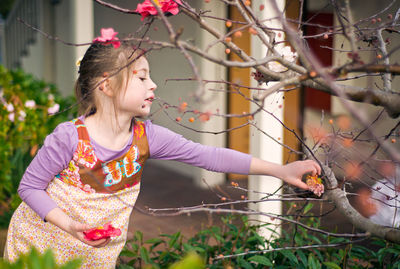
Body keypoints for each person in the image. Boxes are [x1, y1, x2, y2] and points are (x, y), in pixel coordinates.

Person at [4, 39, 321, 268]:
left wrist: (280, 170)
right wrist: (70, 226)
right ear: (106, 85)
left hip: (95, 253)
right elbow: (29, 186)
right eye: (141, 77)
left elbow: (209, 156)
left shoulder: (147, 137)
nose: (153, 84)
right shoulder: (69, 138)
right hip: (41, 247)